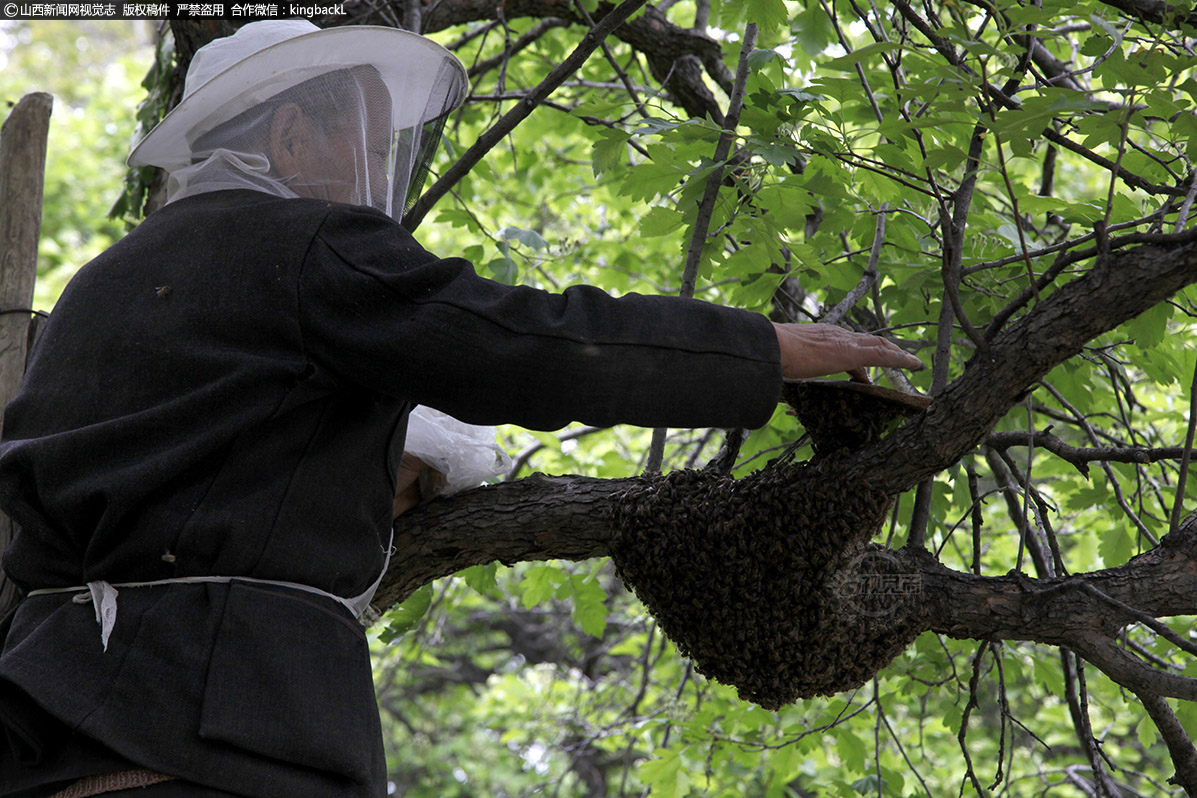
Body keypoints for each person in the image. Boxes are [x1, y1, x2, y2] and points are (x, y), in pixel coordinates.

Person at [0, 20, 923, 798]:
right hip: (222, 732)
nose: (374, 171)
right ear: (286, 141)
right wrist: (757, 350)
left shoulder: (97, 284)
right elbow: (521, 344)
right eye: (361, 144)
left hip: (49, 729)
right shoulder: (306, 245)